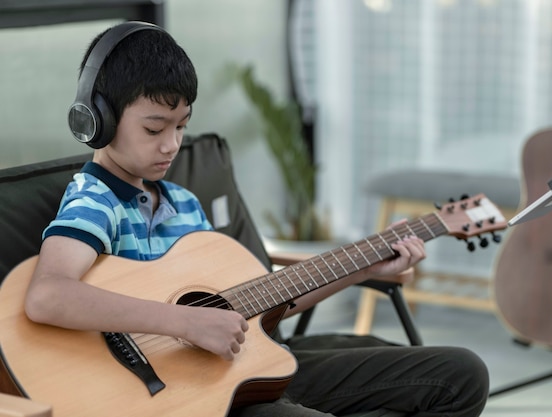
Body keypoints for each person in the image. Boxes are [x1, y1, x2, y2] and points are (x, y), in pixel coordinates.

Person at [24, 21, 489, 417]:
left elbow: (263, 301)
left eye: (181, 126)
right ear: (97, 120)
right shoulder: (95, 199)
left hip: (250, 366)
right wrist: (184, 322)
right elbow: (48, 295)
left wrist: (364, 267)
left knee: (463, 374)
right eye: (153, 129)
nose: (171, 145)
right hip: (190, 395)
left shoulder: (184, 202)